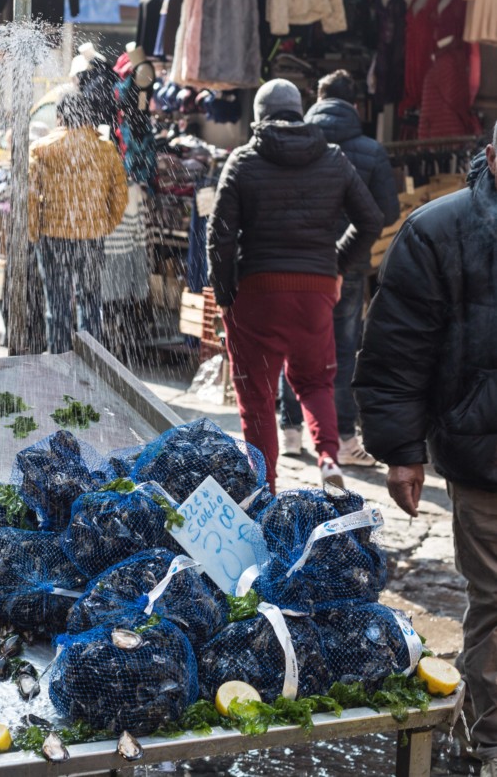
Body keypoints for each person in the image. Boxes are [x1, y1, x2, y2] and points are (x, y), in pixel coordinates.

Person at [353, 133, 497, 777]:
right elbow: (396, 352)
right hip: (483, 452)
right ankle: (490, 740)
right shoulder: (438, 230)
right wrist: (401, 452)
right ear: (493, 156)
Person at [206, 78, 383, 491]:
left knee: (257, 398)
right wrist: (335, 266)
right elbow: (371, 220)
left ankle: (264, 486)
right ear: (299, 112)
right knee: (315, 381)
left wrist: (225, 294)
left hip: (257, 292)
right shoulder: (334, 158)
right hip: (314, 291)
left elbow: (220, 235)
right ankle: (328, 457)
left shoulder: (243, 160)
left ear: (259, 116)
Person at [297, 68, 400, 464]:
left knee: (296, 345)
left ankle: (290, 430)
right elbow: (387, 211)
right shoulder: (370, 151)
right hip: (350, 264)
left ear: (317, 100)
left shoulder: (295, 144)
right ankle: (341, 437)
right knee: (340, 352)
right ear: (356, 105)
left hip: (301, 261)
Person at [28, 84, 128, 354]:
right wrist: (105, 224)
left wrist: (34, 231)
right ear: (87, 116)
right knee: (91, 302)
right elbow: (120, 195)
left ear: (59, 117)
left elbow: (30, 197)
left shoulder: (41, 149)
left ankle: (58, 362)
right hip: (92, 236)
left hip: (53, 235)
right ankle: (91, 362)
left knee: (57, 304)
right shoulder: (105, 149)